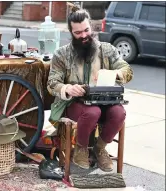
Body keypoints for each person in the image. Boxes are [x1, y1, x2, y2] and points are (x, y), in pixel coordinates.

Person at [47, 4, 133, 172]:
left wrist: (115, 73)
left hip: (104, 101)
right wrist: (67, 88)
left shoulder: (107, 50)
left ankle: (100, 148)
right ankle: (81, 148)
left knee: (119, 113)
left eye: (86, 30)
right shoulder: (61, 54)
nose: (84, 36)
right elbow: (52, 83)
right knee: (93, 111)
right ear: (71, 33)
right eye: (78, 33)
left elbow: (127, 71)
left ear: (91, 27)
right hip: (74, 104)